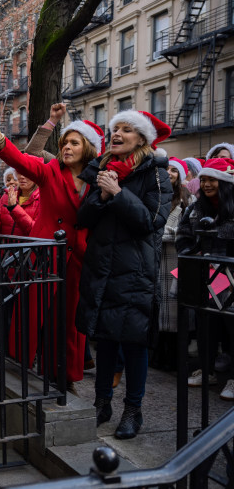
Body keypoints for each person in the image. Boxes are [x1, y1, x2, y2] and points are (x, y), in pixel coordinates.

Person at [0, 105, 102, 388]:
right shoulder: (50, 171)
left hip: (78, 257)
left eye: (74, 142)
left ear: (88, 148)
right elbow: (22, 160)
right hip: (45, 254)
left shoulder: (98, 178)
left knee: (70, 322)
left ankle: (64, 375)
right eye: (65, 143)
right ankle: (20, 365)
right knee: (36, 315)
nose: (67, 147)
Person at [77, 109, 172, 440]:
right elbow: (82, 218)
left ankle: (134, 411)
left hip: (135, 274)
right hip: (102, 269)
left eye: (126, 130)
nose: (117, 134)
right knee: (104, 341)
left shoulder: (157, 174)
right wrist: (102, 196)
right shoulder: (102, 170)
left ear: (141, 139)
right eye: (114, 129)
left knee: (134, 344)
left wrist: (118, 195)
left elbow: (150, 221)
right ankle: (101, 405)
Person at [177, 158, 234, 399]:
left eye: (212, 179)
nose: (207, 184)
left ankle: (232, 377)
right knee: (204, 324)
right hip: (203, 274)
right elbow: (183, 236)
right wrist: (194, 253)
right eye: (204, 179)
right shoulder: (195, 207)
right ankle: (206, 368)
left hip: (230, 275)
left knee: (231, 327)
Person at [150, 157, 192, 371]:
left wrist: (160, 233)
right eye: (166, 169)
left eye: (174, 170)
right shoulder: (155, 195)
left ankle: (176, 358)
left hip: (175, 258)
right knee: (158, 308)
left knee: (174, 310)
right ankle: (159, 355)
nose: (169, 173)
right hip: (157, 259)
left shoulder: (187, 199)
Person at [0, 167, 40, 236]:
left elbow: (35, 232)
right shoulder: (6, 196)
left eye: (27, 173)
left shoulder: (43, 200)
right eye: (19, 172)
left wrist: (14, 208)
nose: (22, 176)